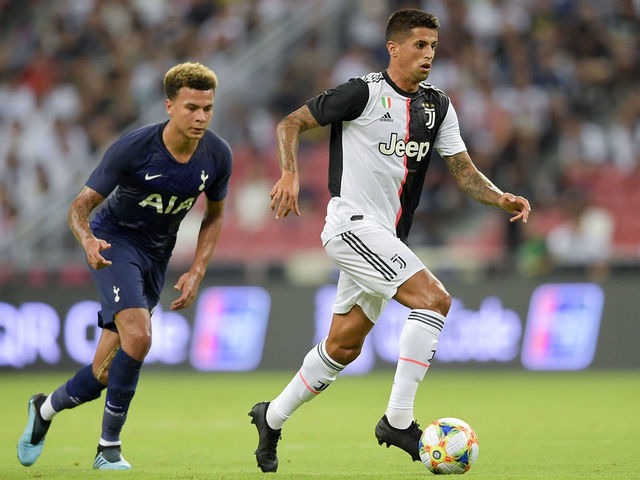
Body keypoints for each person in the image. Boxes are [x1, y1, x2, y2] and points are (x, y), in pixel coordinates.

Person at [249, 9, 531, 473]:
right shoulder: (362, 92)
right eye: (419, 45)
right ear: (394, 48)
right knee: (434, 300)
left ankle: (271, 417)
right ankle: (398, 421)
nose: (428, 55)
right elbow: (289, 124)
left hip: (386, 237)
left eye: (434, 46)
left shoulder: (437, 105)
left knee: (343, 346)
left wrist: (500, 198)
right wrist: (289, 172)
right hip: (352, 226)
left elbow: (462, 171)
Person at [17, 62, 232, 470]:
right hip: (115, 242)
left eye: (207, 108)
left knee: (102, 373)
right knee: (140, 335)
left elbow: (215, 215)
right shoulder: (133, 149)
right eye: (191, 107)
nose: (201, 117)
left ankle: (43, 410)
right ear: (169, 105)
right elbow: (79, 207)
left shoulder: (217, 154)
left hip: (156, 255)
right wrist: (88, 241)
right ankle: (107, 448)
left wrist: (197, 270)